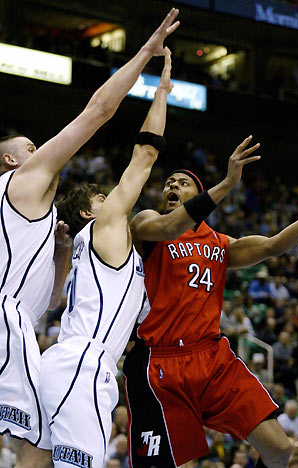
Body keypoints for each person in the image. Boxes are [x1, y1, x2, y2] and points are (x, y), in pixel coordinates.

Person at [0, 8, 180, 468]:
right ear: (9, 161)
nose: (40, 151)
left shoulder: (67, 241)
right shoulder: (35, 187)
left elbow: (51, 296)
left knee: (31, 456)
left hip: (48, 347)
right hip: (75, 359)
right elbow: (116, 130)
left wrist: (59, 252)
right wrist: (151, 69)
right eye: (29, 148)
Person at [123, 157, 298, 468]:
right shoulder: (149, 224)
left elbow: (274, 246)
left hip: (211, 358)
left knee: (280, 449)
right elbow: (167, 226)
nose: (172, 186)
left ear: (198, 193)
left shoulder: (219, 244)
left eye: (182, 182)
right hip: (160, 363)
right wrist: (228, 183)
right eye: (169, 183)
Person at [39, 49, 175, 468]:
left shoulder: (96, 250)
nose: (115, 202)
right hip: (83, 363)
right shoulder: (106, 229)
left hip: (67, 361)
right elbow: (145, 157)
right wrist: (162, 90)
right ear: (88, 213)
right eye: (104, 198)